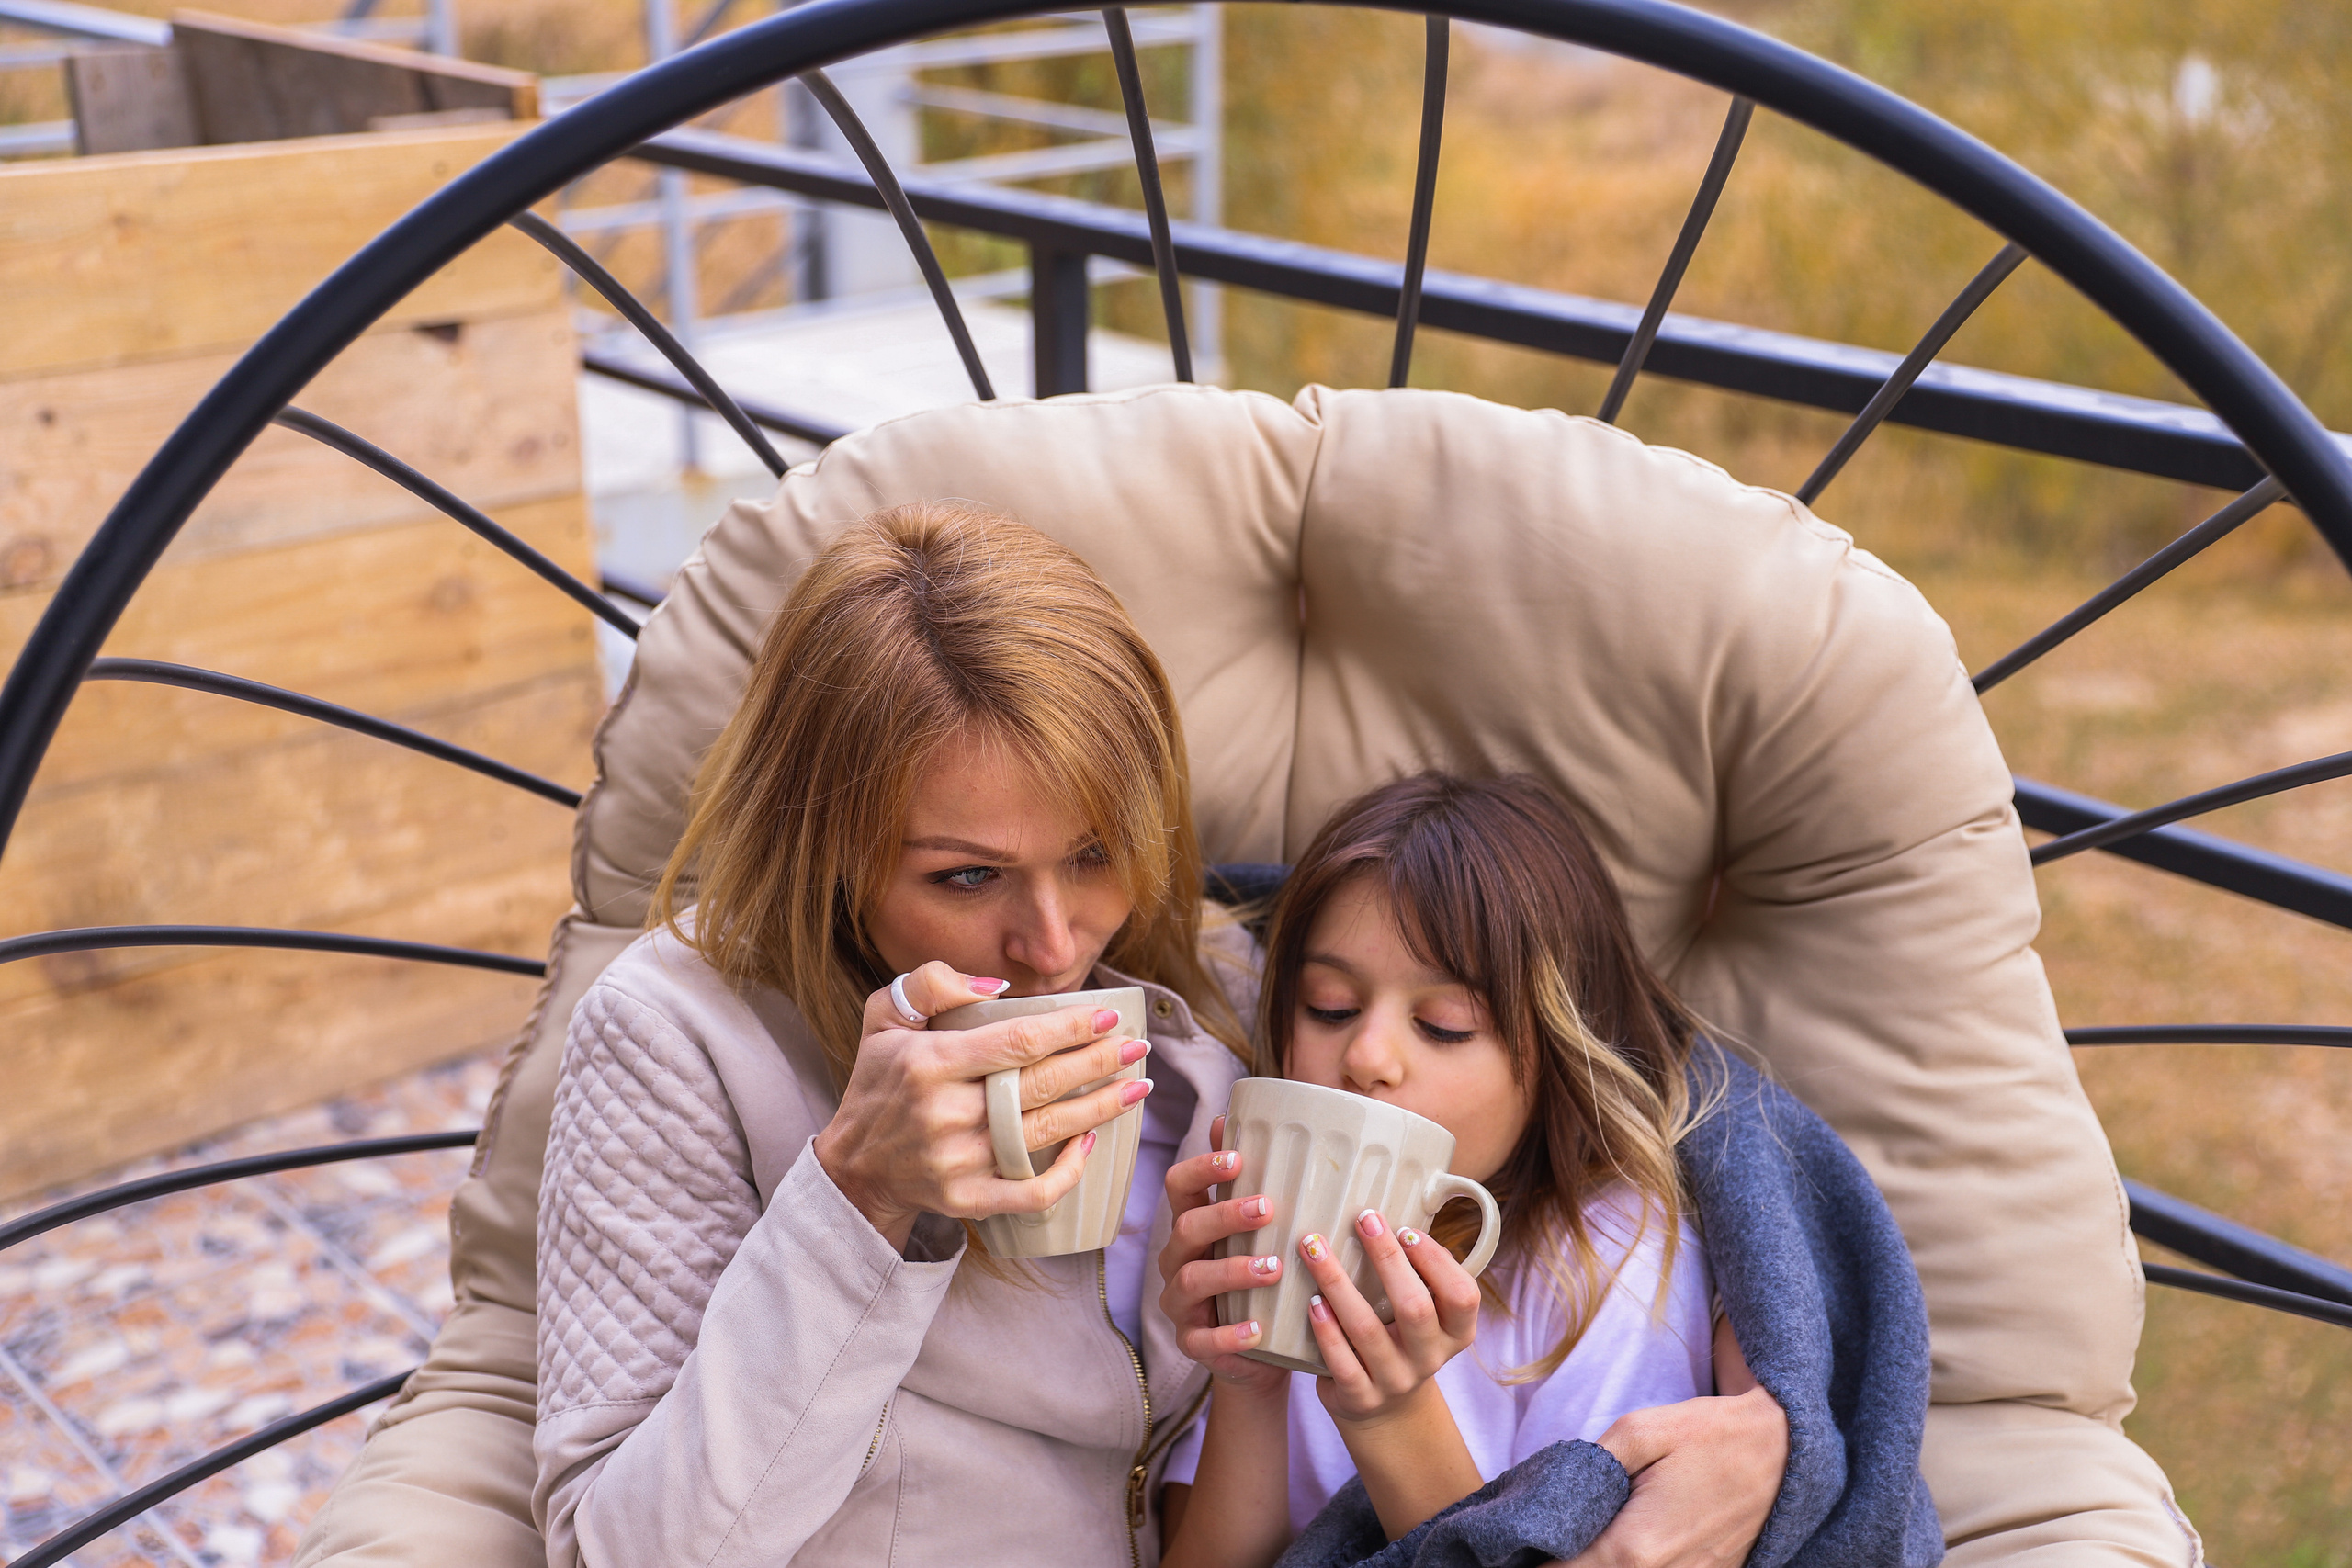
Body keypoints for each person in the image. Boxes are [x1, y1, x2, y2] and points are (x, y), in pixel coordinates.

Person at [529, 503, 1785, 1568]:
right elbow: (615, 1546)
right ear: (827, 852)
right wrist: (860, 1194)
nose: (1056, 940)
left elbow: (1610, 1068)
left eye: (1097, 853)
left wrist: (1771, 1412)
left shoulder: (1234, 980)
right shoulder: (674, 1037)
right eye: (966, 878)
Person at [1159, 773, 1782, 1566]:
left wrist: (1394, 1414)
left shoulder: (1607, 1258)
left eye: (1444, 1025)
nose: (1368, 1056)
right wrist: (1245, 1382)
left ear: (1554, 1056)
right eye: (1330, 1007)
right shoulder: (1272, 1235)